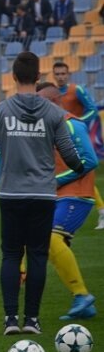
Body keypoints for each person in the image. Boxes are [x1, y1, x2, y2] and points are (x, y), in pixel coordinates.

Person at [0, 51, 83, 336]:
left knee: (10, 256)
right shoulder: (53, 113)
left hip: (12, 195)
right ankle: (32, 320)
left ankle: (9, 320)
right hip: (42, 195)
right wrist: (81, 168)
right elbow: (69, 153)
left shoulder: (2, 111)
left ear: (14, 77)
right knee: (38, 256)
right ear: (38, 77)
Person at [0, 82, 98, 321]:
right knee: (40, 241)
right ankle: (81, 301)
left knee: (50, 238)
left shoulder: (72, 124)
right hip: (52, 196)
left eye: (38, 102)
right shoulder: (44, 123)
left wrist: (57, 180)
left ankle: (82, 295)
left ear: (50, 101)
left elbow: (90, 161)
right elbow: (6, 151)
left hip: (77, 195)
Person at [52, 61, 104, 228]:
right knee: (73, 173)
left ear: (68, 75)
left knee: (82, 171)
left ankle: (101, 209)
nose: (60, 77)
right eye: (57, 74)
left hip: (78, 138)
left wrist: (79, 121)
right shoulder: (53, 94)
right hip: (61, 140)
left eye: (63, 74)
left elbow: (92, 110)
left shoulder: (77, 90)